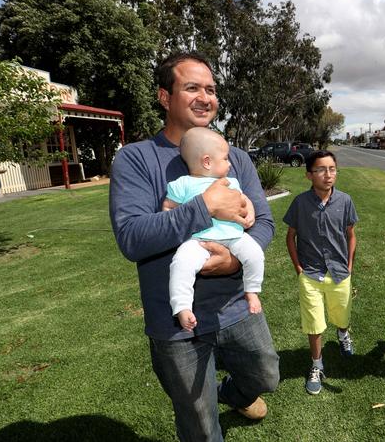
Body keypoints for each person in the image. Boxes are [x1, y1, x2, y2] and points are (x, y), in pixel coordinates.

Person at [109, 52, 279, 442]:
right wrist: (205, 207)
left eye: (211, 89)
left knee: (266, 375)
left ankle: (231, 394)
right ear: (165, 97)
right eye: (192, 88)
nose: (206, 97)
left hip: (236, 306)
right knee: (201, 427)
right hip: (175, 321)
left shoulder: (234, 158)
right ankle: (203, 402)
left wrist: (234, 259)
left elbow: (264, 222)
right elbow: (132, 238)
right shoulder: (137, 159)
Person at [162, 127, 265, 331]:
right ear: (207, 161)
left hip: (233, 236)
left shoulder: (230, 182)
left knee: (255, 254)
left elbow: (244, 200)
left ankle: (252, 290)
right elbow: (168, 207)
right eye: (226, 158)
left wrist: (251, 211)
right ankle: (182, 306)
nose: (230, 163)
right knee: (181, 264)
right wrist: (171, 218)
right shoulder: (182, 184)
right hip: (198, 241)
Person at [283, 150, 358, 395]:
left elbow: (350, 234)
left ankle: (343, 334)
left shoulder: (345, 201)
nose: (328, 174)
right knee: (314, 322)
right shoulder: (300, 203)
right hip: (311, 274)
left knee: (341, 315)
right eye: (321, 170)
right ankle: (316, 364)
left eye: (332, 169)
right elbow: (290, 236)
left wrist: (349, 265)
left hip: (339, 272)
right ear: (309, 175)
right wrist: (297, 267)